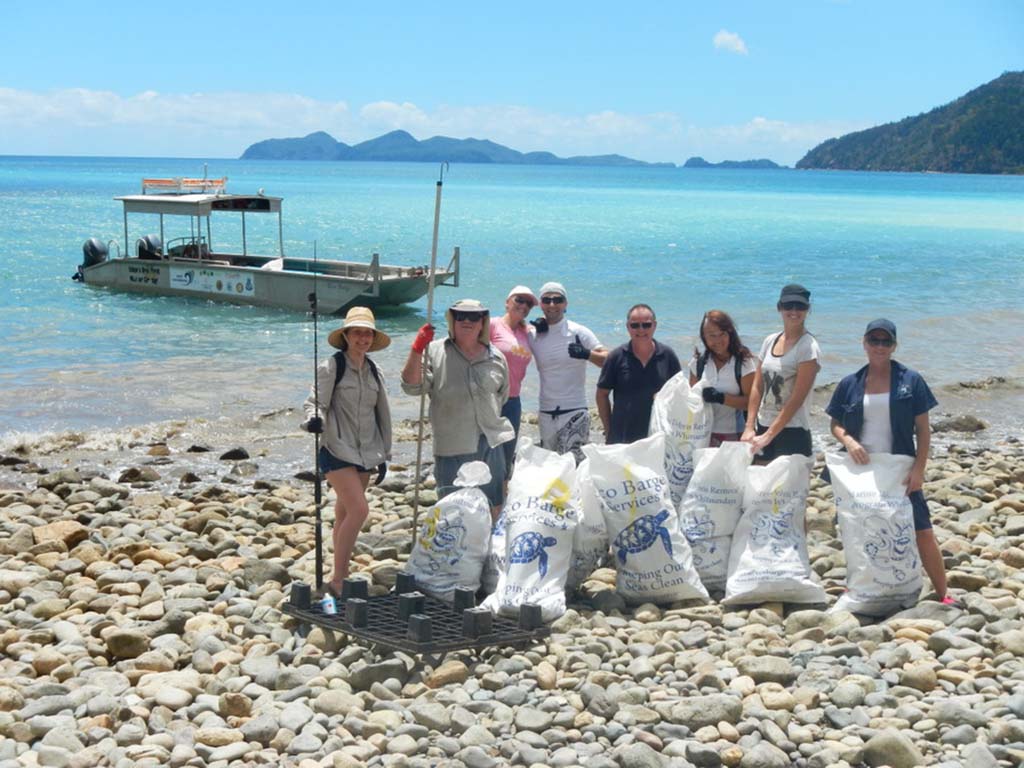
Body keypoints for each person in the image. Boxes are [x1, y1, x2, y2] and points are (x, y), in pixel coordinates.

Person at [826, 319, 952, 604]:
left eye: (886, 342)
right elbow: (835, 423)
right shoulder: (850, 383)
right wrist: (849, 441)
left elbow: (922, 429)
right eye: (874, 341)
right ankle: (859, 587)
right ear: (864, 343)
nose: (879, 347)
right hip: (860, 471)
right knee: (857, 529)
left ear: (894, 346)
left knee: (921, 529)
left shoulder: (911, 380)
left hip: (900, 468)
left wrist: (919, 470)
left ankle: (943, 593)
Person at [302, 306, 392, 597]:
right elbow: (315, 402)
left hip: (366, 451)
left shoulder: (375, 370)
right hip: (336, 447)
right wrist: (313, 420)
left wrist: (384, 454)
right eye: (357, 332)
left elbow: (382, 414)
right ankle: (340, 580)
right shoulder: (332, 366)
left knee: (344, 513)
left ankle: (338, 571)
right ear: (346, 335)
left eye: (368, 334)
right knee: (359, 509)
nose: (363, 338)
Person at [402, 299, 513, 518]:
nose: (467, 321)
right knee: (451, 511)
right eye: (461, 316)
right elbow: (412, 386)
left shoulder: (496, 356)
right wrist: (416, 350)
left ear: (483, 322)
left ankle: (490, 549)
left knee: (493, 506)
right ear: (452, 320)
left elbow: (503, 395)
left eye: (474, 317)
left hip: (490, 442)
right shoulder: (434, 351)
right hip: (451, 446)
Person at [528, 281, 608, 462]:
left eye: (557, 299)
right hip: (546, 413)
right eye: (546, 300)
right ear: (540, 304)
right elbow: (511, 340)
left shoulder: (579, 332)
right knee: (550, 471)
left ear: (565, 304)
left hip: (575, 411)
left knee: (573, 469)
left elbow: (609, 360)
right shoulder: (533, 335)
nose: (552, 304)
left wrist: (587, 354)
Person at [741, 284, 821, 461]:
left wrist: (769, 436)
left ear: (808, 309)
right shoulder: (770, 340)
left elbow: (797, 399)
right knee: (759, 485)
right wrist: (749, 426)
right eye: (788, 306)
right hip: (764, 423)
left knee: (787, 488)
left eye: (800, 306)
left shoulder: (808, 347)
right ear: (779, 307)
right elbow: (757, 385)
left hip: (793, 430)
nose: (794, 311)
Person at [596, 304, 681, 444]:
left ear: (655, 325)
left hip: (658, 435)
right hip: (622, 436)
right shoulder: (616, 357)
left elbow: (679, 392)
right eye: (635, 325)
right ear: (627, 327)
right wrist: (609, 430)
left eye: (646, 325)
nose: (641, 330)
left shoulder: (668, 355)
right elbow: (602, 394)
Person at [689, 310, 757, 446]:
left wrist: (721, 398)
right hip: (702, 434)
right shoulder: (698, 363)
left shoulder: (743, 363)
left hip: (735, 435)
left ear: (730, 333)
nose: (718, 340)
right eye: (712, 336)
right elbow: (691, 403)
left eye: (722, 334)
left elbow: (752, 403)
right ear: (704, 337)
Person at [490, 285, 538, 475]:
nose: (524, 305)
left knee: (507, 454)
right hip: (490, 398)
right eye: (519, 300)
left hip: (513, 400)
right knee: (486, 452)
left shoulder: (528, 332)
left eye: (528, 303)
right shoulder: (492, 324)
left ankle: (501, 499)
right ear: (507, 302)